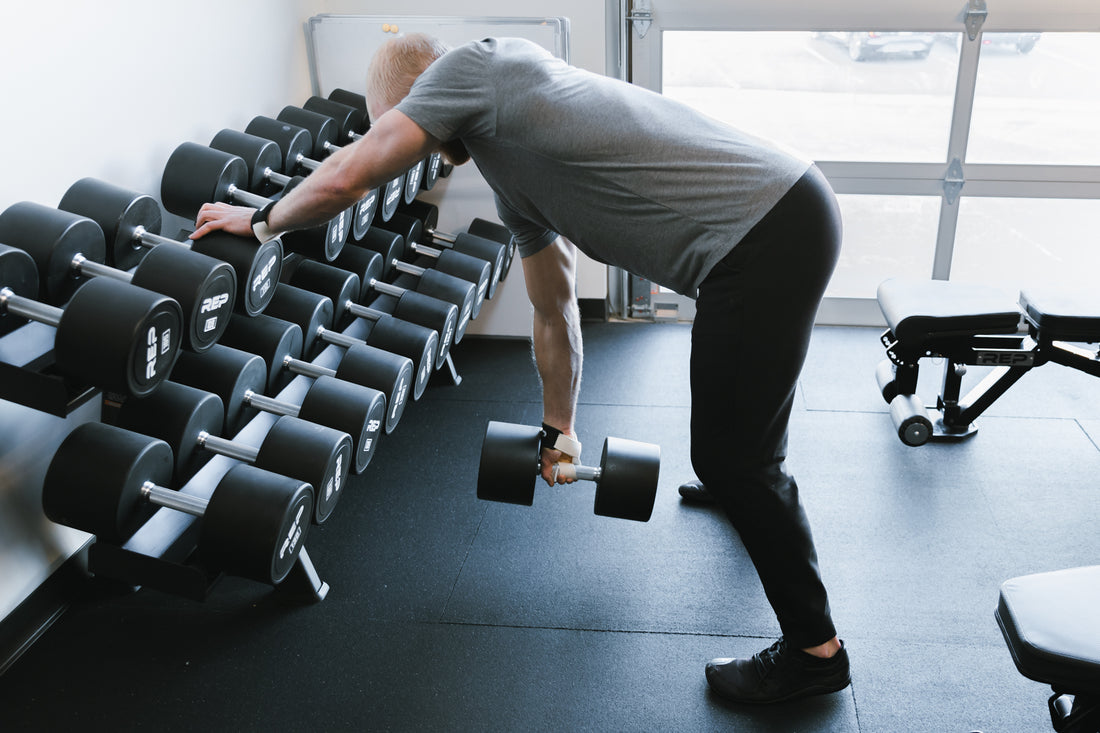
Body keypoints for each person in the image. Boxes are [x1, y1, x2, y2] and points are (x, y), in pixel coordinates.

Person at [192, 33, 848, 705]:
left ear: (416, 97)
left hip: (763, 233)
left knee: (733, 456)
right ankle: (744, 482)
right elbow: (553, 306)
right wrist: (558, 426)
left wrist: (263, 219)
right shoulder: (512, 163)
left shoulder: (473, 69)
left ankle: (814, 651)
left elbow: (351, 174)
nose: (404, 141)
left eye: (394, 118)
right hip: (775, 220)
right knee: (736, 446)